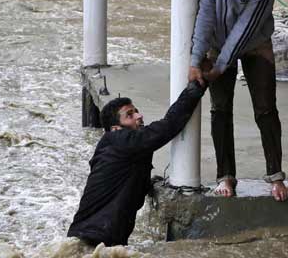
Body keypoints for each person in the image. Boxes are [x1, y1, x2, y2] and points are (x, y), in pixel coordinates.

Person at [189, 0, 288, 202]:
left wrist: (221, 66)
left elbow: (245, 29)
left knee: (266, 108)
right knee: (220, 109)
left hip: (255, 43)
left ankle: (276, 176)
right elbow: (204, 15)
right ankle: (226, 175)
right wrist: (195, 60)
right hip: (217, 43)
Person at [68, 81, 207, 247]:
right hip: (95, 239)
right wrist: (196, 87)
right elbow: (168, 126)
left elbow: (124, 183)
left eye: (136, 111)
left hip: (94, 241)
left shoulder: (119, 150)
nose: (139, 116)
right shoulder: (121, 140)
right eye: (130, 115)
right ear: (116, 129)